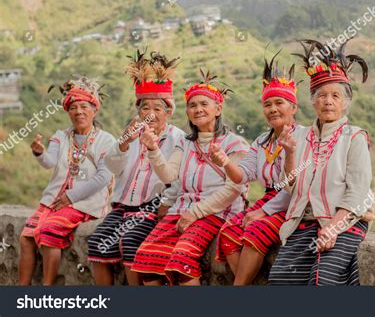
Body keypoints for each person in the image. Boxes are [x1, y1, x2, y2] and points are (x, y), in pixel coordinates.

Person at [269, 38, 375, 285]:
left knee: (322, 279)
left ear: (345, 102)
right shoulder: (298, 135)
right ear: (313, 101)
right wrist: (290, 153)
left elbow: (358, 192)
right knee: (280, 280)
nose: (328, 101)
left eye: (336, 96)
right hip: (303, 223)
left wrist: (332, 228)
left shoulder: (355, 137)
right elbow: (290, 186)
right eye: (322, 95)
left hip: (344, 221)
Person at [131, 69, 249, 285]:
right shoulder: (184, 142)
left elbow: (234, 189)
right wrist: (153, 150)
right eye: (192, 105)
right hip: (181, 210)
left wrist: (195, 213)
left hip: (217, 213)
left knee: (182, 258)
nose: (198, 109)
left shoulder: (235, 144)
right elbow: (169, 174)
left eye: (204, 104)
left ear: (218, 109)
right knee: (146, 258)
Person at [87, 50, 185, 285]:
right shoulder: (130, 135)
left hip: (151, 208)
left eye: (157, 109)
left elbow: (178, 178)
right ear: (138, 111)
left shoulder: (177, 138)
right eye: (144, 108)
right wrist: (124, 142)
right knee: (97, 243)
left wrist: (166, 202)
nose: (150, 114)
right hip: (122, 207)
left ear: (168, 112)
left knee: (131, 242)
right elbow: (112, 166)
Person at [211, 51, 302, 285]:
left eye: (279, 103)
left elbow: (295, 183)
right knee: (229, 232)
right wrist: (226, 162)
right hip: (267, 200)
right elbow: (241, 176)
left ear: (294, 107)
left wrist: (263, 211)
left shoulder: (304, 137)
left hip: (292, 202)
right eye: (267, 104)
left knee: (254, 232)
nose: (272, 109)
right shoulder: (262, 141)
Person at [19, 76, 115, 285]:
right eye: (73, 108)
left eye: (83, 107)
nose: (78, 112)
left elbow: (103, 177)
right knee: (26, 237)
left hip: (85, 203)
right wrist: (39, 153)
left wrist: (71, 198)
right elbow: (49, 162)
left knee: (49, 231)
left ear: (94, 110)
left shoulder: (106, 140)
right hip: (54, 200)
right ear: (67, 111)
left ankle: (47, 289)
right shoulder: (61, 136)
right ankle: (21, 290)